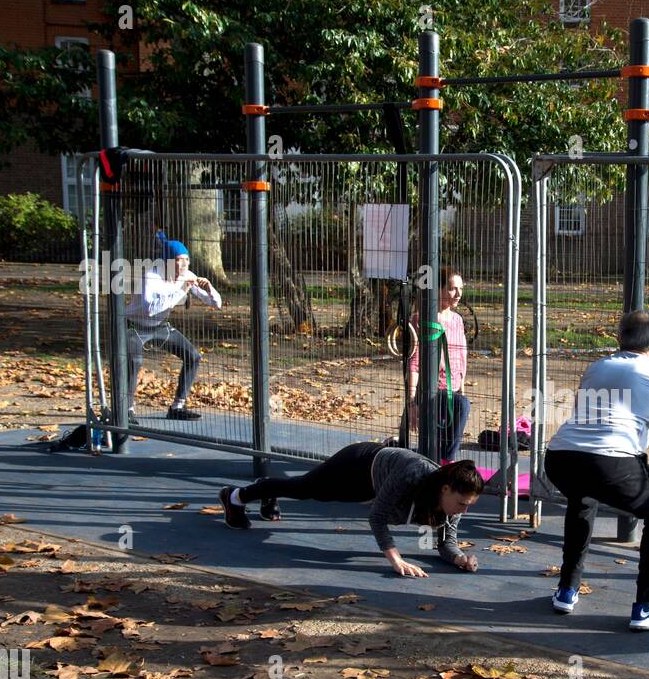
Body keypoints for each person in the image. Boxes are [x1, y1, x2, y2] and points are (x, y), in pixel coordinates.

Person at [544, 310, 649, 631]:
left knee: (583, 496)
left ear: (618, 340)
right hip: (610, 462)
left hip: (560, 457)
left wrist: (648, 435)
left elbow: (592, 424)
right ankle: (647, 605)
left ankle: (566, 590)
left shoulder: (597, 367)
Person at [218, 443, 483, 578]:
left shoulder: (456, 501)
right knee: (305, 489)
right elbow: (377, 517)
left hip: (375, 481)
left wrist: (460, 558)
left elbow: (446, 543)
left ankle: (266, 490)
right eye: (462, 504)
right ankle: (236, 496)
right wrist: (396, 560)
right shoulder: (412, 474)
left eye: (469, 505)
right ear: (445, 489)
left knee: (305, 490)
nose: (464, 511)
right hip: (358, 465)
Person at [124, 234, 222, 421]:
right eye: (179, 260)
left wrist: (209, 288)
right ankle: (127, 410)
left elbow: (216, 303)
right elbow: (150, 309)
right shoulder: (151, 277)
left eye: (187, 260)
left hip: (160, 327)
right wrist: (182, 290)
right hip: (134, 327)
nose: (184, 265)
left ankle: (177, 407)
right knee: (134, 363)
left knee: (193, 356)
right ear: (167, 262)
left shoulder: (187, 276)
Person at [407, 267, 470, 462]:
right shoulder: (422, 319)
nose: (458, 294)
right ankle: (447, 463)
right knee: (462, 406)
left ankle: (441, 463)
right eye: (452, 288)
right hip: (432, 391)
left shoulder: (457, 319)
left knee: (439, 443)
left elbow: (462, 354)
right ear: (439, 290)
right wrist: (412, 403)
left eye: (460, 288)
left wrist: (462, 386)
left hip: (453, 391)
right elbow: (415, 362)